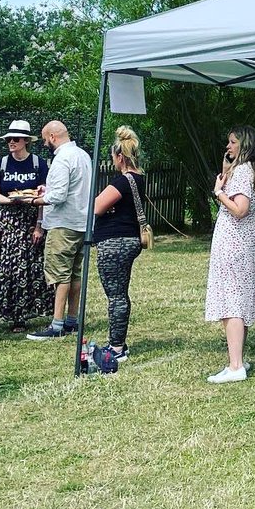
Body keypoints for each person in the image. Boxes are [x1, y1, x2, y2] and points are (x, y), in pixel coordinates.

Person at [0, 120, 53, 331]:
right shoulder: (0, 164)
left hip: (28, 220)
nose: (11, 142)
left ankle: (20, 315)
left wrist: (39, 225)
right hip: (6, 220)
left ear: (26, 141)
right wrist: (9, 201)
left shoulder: (39, 164)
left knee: (24, 270)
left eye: (16, 139)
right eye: (9, 139)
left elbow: (43, 195)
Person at [206, 126, 255, 383]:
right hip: (246, 238)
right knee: (240, 296)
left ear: (244, 144)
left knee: (232, 299)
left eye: (233, 142)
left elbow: (240, 209)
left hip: (235, 239)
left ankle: (235, 366)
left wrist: (219, 193)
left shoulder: (243, 171)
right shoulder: (252, 168)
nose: (228, 146)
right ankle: (237, 358)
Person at [26, 121, 93, 341]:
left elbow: (58, 196)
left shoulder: (62, 158)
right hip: (81, 222)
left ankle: (56, 324)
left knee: (59, 274)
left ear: (53, 136)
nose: (45, 143)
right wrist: (48, 189)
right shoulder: (82, 155)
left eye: (45, 139)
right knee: (75, 273)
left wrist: (36, 199)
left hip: (63, 224)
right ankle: (72, 319)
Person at [91, 125, 147, 362]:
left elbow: (96, 207)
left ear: (120, 157)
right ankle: (118, 342)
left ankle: (116, 347)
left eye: (113, 157)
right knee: (120, 293)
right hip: (129, 240)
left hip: (115, 243)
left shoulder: (122, 181)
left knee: (115, 296)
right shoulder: (139, 178)